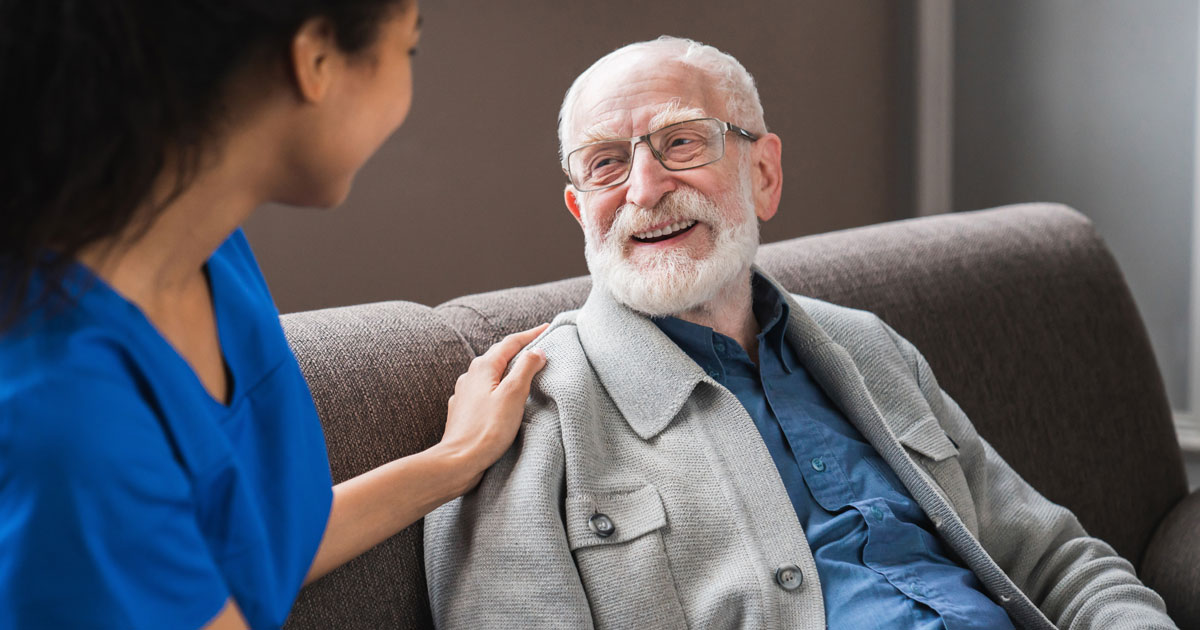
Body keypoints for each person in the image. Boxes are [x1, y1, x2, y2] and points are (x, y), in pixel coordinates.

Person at [423, 36, 1177, 629]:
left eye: (682, 142)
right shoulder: (527, 413)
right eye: (606, 164)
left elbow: (1054, 561)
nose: (645, 190)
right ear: (578, 208)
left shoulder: (870, 346)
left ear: (765, 174)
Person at [0, 2, 548, 628]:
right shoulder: (63, 414)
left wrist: (454, 462)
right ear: (315, 59)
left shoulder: (208, 253)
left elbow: (234, 553)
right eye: (409, 50)